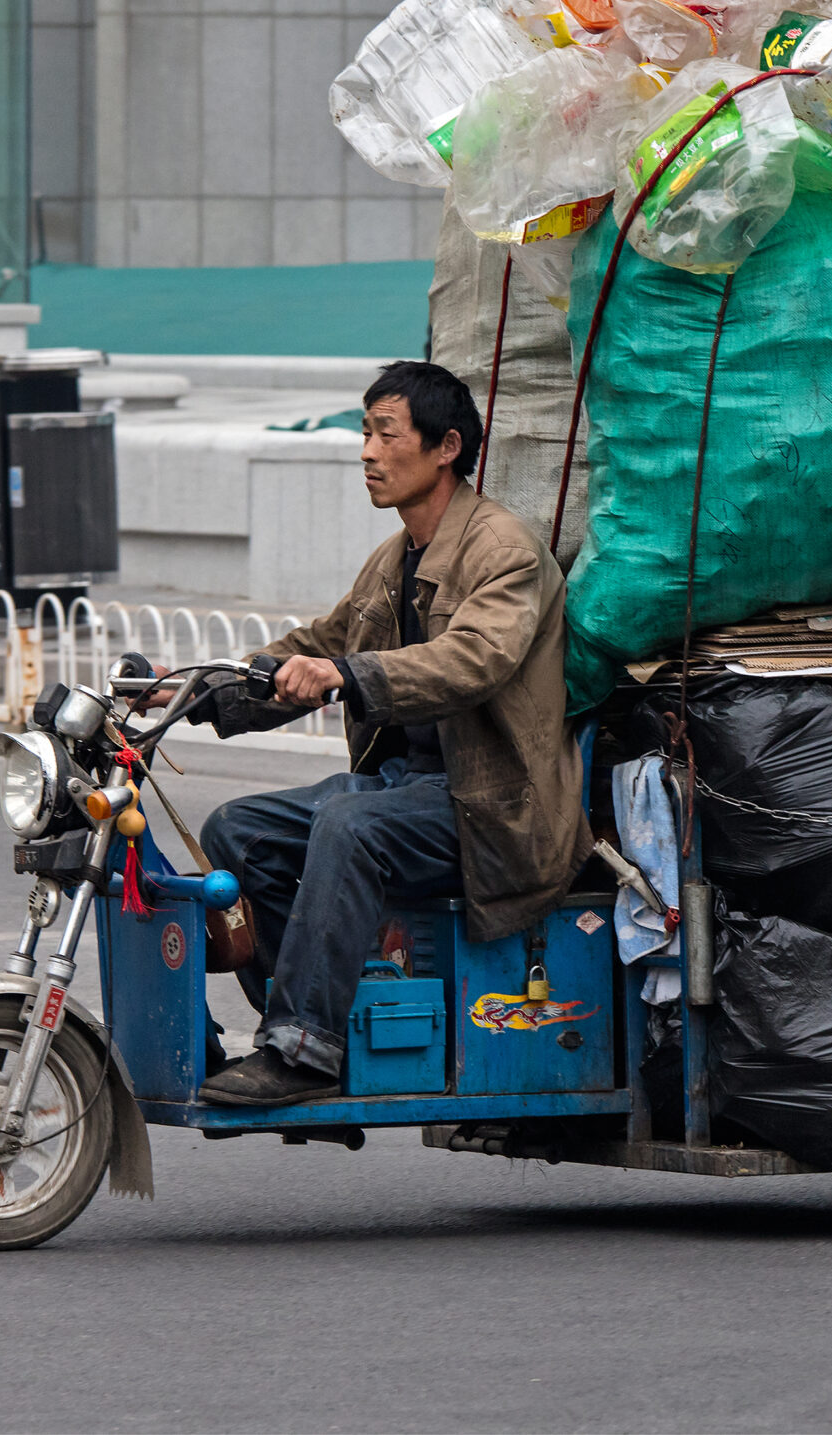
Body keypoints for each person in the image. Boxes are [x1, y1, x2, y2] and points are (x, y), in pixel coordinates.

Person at [192, 358, 590, 1107]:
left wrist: (349, 672)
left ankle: (303, 1048)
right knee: (237, 831)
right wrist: (197, 688)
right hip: (407, 793)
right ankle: (320, 1024)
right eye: (364, 433)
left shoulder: (503, 548)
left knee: (350, 823)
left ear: (445, 447)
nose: (367, 452)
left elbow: (475, 658)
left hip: (492, 807)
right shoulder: (393, 557)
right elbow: (316, 643)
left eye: (384, 433)